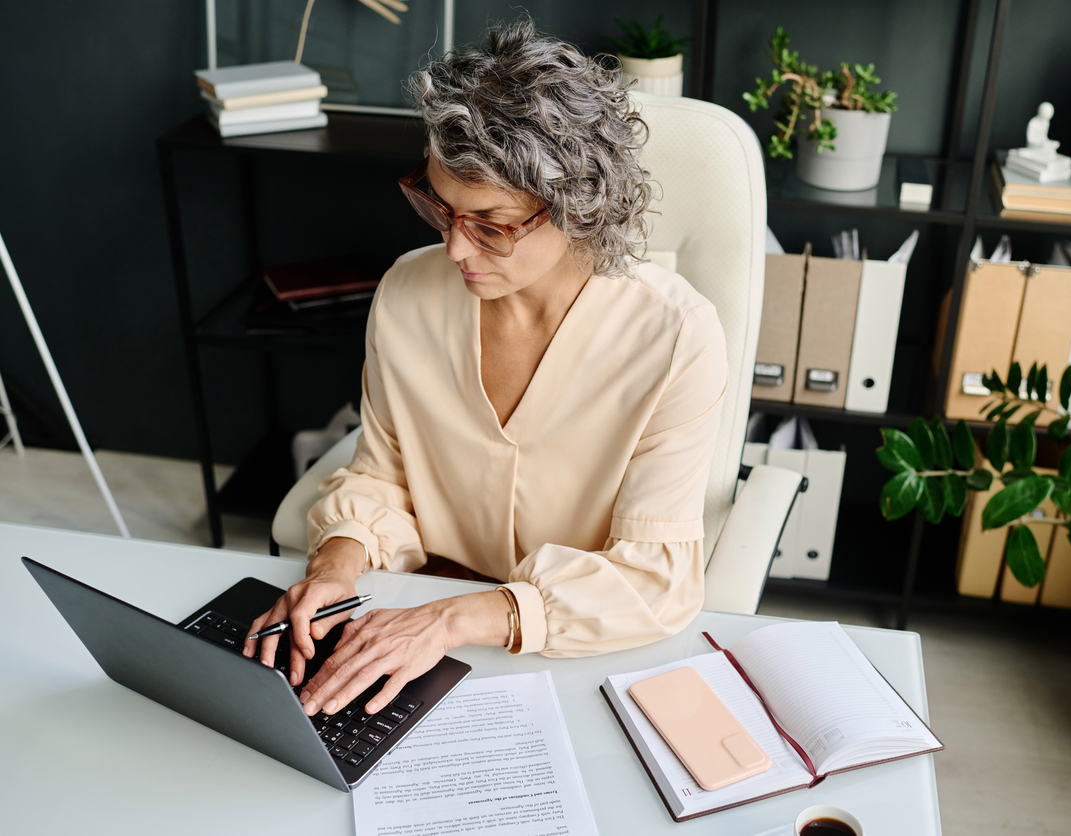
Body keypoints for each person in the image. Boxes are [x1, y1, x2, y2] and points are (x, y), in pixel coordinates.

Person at [241, 19, 728, 721]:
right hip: (408, 618)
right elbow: (381, 472)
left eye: (490, 224)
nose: (455, 250)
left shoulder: (674, 336)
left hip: (568, 648)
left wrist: (449, 622)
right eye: (441, 210)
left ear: (577, 205)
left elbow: (655, 583)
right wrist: (336, 566)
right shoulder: (407, 295)